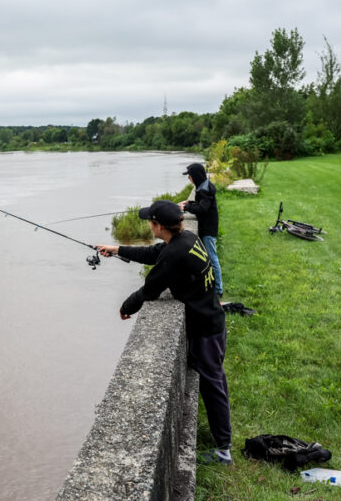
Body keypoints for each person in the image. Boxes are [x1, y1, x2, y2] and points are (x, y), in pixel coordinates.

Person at [96, 200, 232, 464]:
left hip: (206, 330)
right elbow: (154, 254)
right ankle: (221, 441)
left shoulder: (174, 254)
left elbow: (150, 289)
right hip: (212, 320)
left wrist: (127, 307)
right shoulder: (187, 238)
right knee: (214, 379)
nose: (148, 224)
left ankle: (223, 450)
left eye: (150, 221)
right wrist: (117, 249)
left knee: (214, 384)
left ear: (158, 225)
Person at [179, 163, 223, 297]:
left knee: (212, 258)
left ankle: (218, 290)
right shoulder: (203, 186)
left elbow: (202, 209)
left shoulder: (205, 189)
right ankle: (213, 286)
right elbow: (201, 205)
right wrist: (190, 203)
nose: (189, 179)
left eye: (190, 176)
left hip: (208, 229)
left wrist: (186, 209)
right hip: (207, 226)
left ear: (196, 176)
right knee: (209, 257)